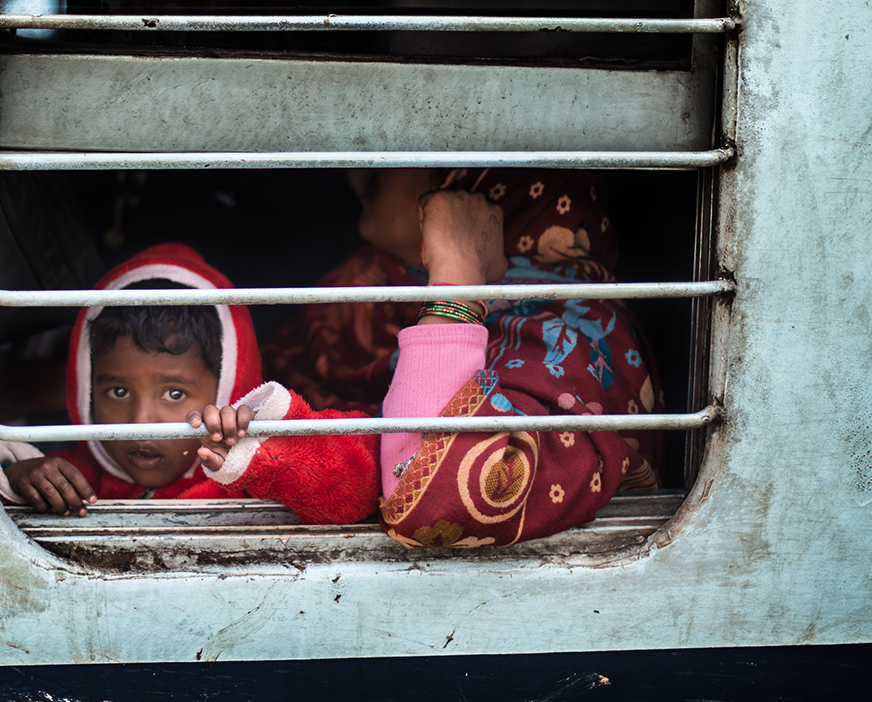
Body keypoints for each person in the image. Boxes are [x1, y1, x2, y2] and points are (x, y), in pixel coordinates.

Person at [267, 167, 664, 546]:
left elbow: (435, 501)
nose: (355, 172)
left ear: (477, 182)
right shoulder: (362, 290)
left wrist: (456, 268)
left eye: (393, 146)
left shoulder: (580, 334)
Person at [0, 243, 380, 525]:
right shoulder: (76, 479)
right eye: (117, 392)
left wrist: (264, 452)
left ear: (227, 389)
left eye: (174, 394)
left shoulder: (243, 480)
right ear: (85, 390)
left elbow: (358, 490)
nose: (141, 421)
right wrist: (22, 475)